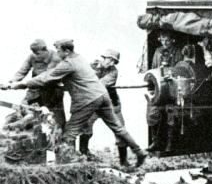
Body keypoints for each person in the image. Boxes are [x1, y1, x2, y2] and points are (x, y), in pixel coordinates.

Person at [8, 39, 148, 167]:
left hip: (87, 99)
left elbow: (45, 78)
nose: (57, 53)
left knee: (69, 133)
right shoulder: (79, 58)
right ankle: (139, 152)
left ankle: (66, 166)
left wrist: (20, 85)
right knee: (117, 128)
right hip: (102, 96)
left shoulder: (68, 63)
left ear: (66, 51)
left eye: (59, 51)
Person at [79, 49, 130, 166]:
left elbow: (98, 85)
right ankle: (83, 154)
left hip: (111, 104)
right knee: (85, 126)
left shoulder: (113, 72)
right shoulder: (92, 66)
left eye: (114, 61)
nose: (111, 63)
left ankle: (124, 161)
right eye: (110, 60)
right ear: (104, 58)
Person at [8, 39, 66, 128]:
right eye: (34, 53)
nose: (35, 55)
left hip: (51, 90)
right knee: (23, 108)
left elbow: (46, 77)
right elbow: (23, 70)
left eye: (38, 53)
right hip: (34, 89)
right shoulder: (32, 56)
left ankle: (61, 137)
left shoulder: (56, 58)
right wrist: (12, 82)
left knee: (55, 118)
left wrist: (22, 84)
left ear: (45, 49)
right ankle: (22, 124)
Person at [146, 31, 184, 153]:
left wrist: (172, 74)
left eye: (167, 40)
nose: (164, 42)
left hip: (172, 89)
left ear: (172, 40)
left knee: (171, 115)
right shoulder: (157, 51)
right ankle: (155, 141)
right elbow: (152, 68)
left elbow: (181, 70)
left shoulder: (178, 51)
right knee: (152, 113)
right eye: (162, 40)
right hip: (159, 88)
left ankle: (169, 144)